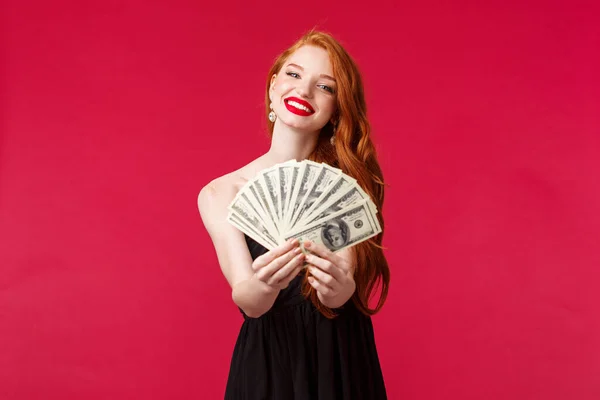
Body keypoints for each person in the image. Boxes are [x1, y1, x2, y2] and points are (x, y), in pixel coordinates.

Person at [197, 29, 390, 400]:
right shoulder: (221, 193)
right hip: (272, 360)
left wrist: (341, 288)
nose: (303, 91)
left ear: (337, 109)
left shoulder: (347, 187)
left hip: (340, 354)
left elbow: (341, 288)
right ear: (273, 87)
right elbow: (250, 302)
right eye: (294, 74)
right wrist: (263, 285)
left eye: (325, 87)